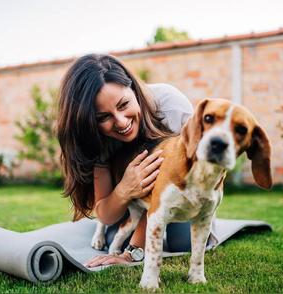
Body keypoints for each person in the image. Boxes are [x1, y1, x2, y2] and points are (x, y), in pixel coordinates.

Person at [57, 54, 199, 267]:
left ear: (132, 87)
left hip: (184, 189)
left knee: (183, 242)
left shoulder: (172, 108)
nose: (121, 122)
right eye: (103, 117)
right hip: (136, 203)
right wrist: (126, 189)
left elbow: (177, 188)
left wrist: (133, 251)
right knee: (113, 232)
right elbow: (105, 214)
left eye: (123, 104)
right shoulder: (98, 138)